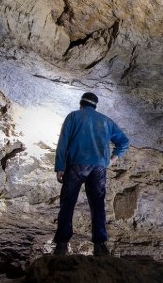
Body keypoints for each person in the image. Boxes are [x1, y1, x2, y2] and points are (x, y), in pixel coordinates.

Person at [53, 91, 130, 256]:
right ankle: (100, 245)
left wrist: (60, 166)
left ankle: (62, 244)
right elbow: (124, 142)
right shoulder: (106, 121)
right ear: (95, 106)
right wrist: (111, 160)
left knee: (68, 203)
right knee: (97, 205)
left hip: (76, 164)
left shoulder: (73, 116)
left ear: (81, 104)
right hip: (98, 167)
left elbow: (63, 142)